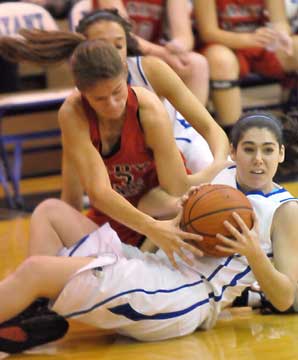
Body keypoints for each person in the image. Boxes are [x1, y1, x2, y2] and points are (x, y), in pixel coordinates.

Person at [1, 111, 298, 354]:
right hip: (158, 267)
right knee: (51, 212)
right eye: (249, 149)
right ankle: (35, 314)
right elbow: (147, 201)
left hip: (186, 296)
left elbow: (285, 298)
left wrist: (254, 253)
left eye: (268, 150)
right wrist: (178, 208)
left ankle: (31, 305)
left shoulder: (284, 210)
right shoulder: (220, 175)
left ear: (281, 154)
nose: (258, 158)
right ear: (233, 152)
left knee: (36, 270)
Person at [0, 36, 216, 260]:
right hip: (116, 229)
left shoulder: (147, 108)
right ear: (82, 93)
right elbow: (97, 194)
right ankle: (45, 291)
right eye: (100, 99)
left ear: (125, 74)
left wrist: (217, 166)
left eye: (117, 92)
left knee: (165, 203)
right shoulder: (73, 113)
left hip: (163, 221)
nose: (112, 104)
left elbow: (176, 187)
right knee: (47, 212)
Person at [64, 8, 229, 210]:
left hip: (179, 140)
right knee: (155, 206)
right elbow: (74, 162)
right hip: (134, 160)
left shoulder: (150, 69)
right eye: (103, 45)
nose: (112, 53)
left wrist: (219, 164)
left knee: (226, 188)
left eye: (118, 45)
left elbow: (208, 126)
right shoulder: (83, 94)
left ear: (128, 42)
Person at [194, 0, 298, 133]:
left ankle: (292, 119)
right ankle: (233, 133)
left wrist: (282, 34)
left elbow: (279, 21)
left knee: (295, 46)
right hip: (222, 44)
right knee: (221, 60)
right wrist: (248, 39)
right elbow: (208, 33)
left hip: (259, 43)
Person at [92, 0, 210, 105]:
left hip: (154, 52)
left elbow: (184, 35)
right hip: (118, 53)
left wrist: (178, 47)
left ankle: (189, 127)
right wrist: (163, 53)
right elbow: (121, 34)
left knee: (196, 64)